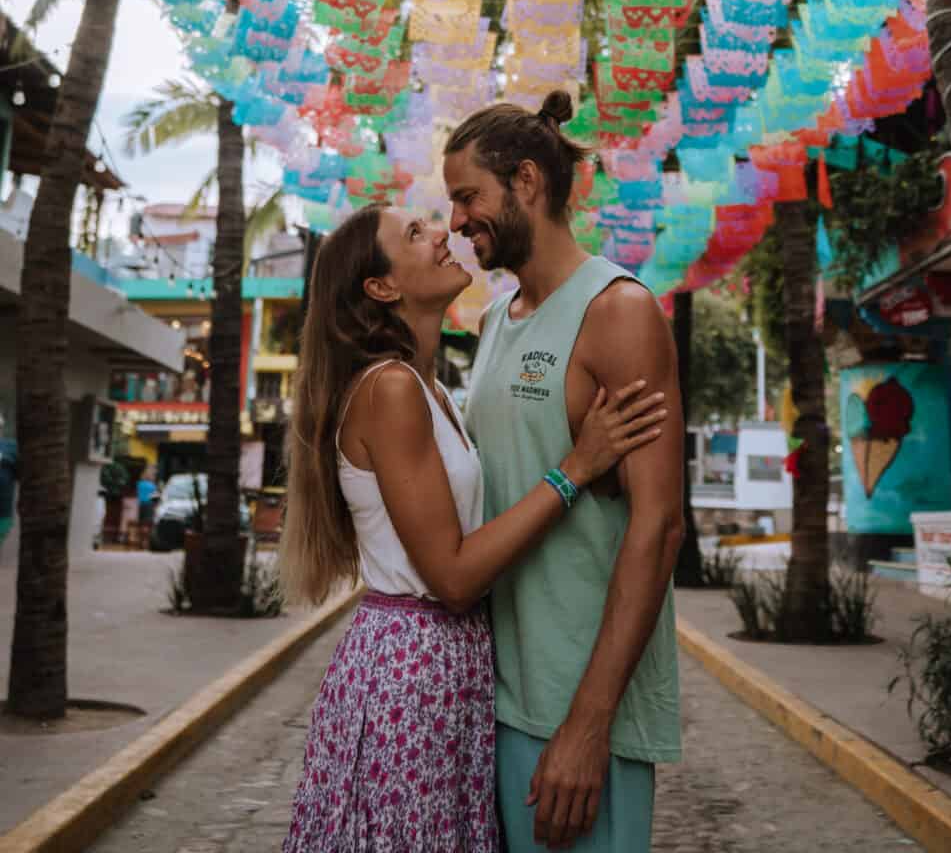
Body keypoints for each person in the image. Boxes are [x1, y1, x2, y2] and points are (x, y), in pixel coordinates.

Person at [277, 204, 666, 852]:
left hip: (440, 665)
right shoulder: (392, 389)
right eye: (415, 233)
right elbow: (454, 577)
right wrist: (576, 467)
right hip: (411, 666)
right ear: (381, 287)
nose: (443, 233)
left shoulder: (428, 386)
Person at [443, 91, 684, 853]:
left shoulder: (617, 311)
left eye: (466, 197)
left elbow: (660, 523)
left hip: (580, 714)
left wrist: (589, 723)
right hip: (498, 699)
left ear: (525, 182)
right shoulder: (492, 320)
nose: (454, 222)